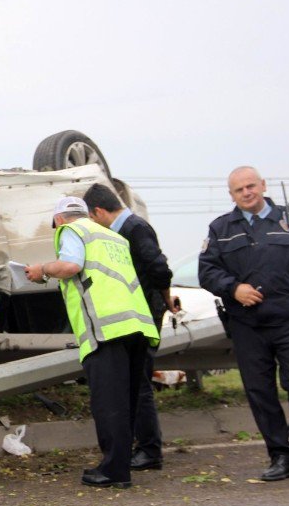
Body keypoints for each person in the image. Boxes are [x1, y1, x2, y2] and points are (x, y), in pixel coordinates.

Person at [198, 166, 289, 480]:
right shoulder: (221, 228)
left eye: (250, 186)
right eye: (239, 190)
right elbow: (207, 270)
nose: (246, 193)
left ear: (262, 185)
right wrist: (233, 288)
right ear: (231, 195)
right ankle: (281, 456)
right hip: (247, 325)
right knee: (260, 392)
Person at [26, 196, 160, 489]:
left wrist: (43, 269)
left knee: (109, 403)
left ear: (59, 219)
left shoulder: (72, 231)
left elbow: (72, 266)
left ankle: (114, 471)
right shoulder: (112, 237)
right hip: (136, 324)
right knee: (127, 400)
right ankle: (121, 467)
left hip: (105, 328)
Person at [83, 183, 179, 472]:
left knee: (139, 385)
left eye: (90, 217)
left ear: (99, 211)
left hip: (146, 314)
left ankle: (150, 450)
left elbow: (159, 267)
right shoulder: (126, 230)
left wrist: (163, 298)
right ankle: (144, 447)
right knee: (133, 383)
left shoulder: (135, 228)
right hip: (138, 314)